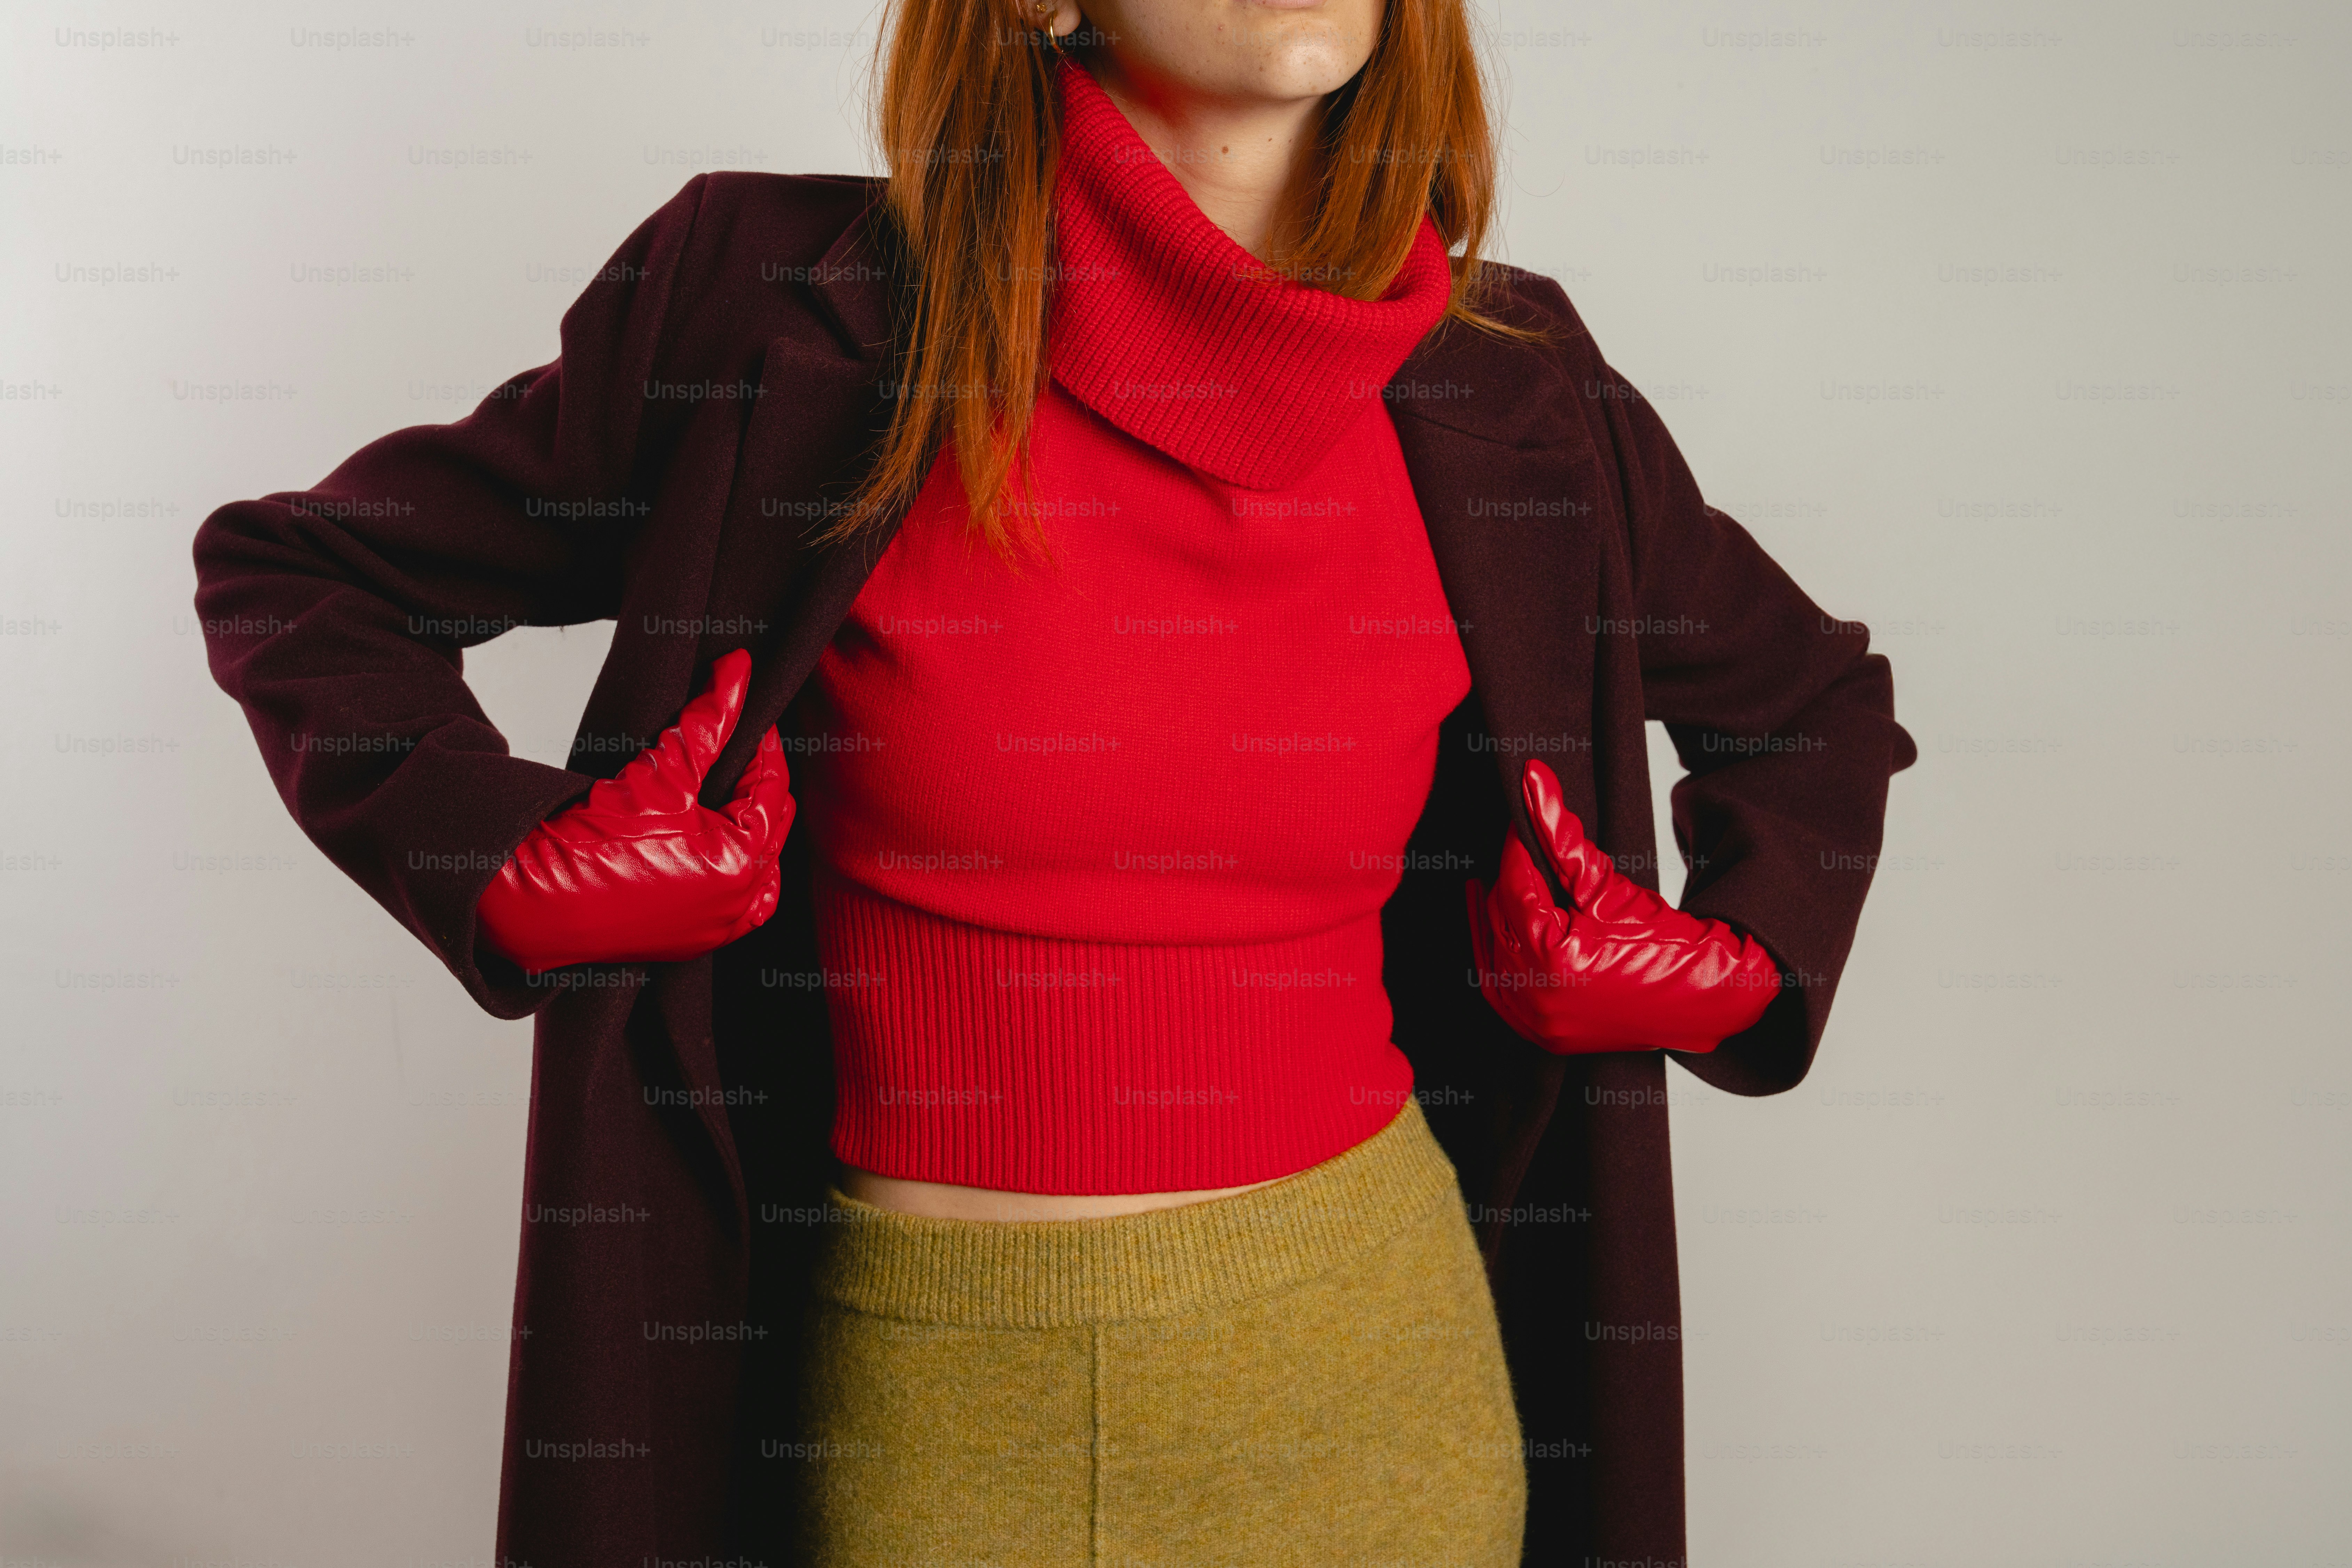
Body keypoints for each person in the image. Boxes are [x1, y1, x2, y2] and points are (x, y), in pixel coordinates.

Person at [192, 1, 1915, 1562]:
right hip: (930, 1405)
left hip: (1378, 1387)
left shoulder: (1518, 387)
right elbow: (301, 576)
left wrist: (1737, 952)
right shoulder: (769, 308)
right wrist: (502, 856)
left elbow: (1812, 702)